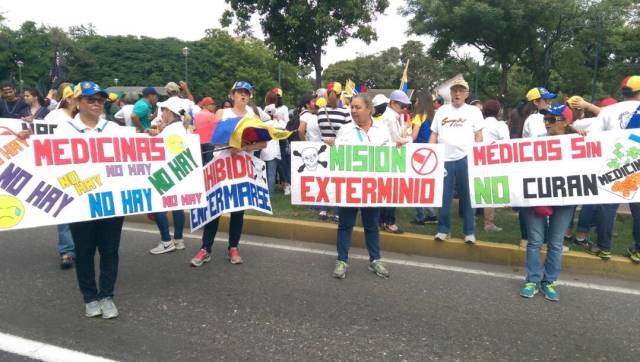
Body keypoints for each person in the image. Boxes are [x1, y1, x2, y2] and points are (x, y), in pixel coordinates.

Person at [55, 81, 126, 318]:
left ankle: (107, 295)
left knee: (110, 250)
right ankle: (90, 297)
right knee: (84, 252)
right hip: (80, 203)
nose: (97, 104)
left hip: (111, 201)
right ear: (77, 102)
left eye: (100, 100)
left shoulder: (114, 129)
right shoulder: (64, 130)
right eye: (90, 99)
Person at [190, 81, 267, 267]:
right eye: (239, 92)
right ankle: (205, 248)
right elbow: (213, 140)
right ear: (232, 95)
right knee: (214, 207)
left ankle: (233, 247)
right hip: (221, 165)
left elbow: (263, 144)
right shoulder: (221, 113)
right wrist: (229, 145)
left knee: (237, 210)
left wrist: (243, 146)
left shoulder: (253, 116)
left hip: (241, 167)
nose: (243, 96)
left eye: (246, 93)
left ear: (250, 96)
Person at [578, 75, 640, 263]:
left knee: (607, 207)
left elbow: (593, 137)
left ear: (623, 92)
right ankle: (638, 250)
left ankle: (604, 248)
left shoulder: (609, 111)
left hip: (617, 162)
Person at [520, 104, 577, 301]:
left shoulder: (580, 143)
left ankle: (549, 281)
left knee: (555, 243)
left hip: (566, 198)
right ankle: (532, 280)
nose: (547, 124)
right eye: (545, 119)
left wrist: (583, 135)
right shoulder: (536, 142)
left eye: (552, 120)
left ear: (566, 122)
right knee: (535, 241)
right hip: (538, 197)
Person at [332, 94, 391, 279]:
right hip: (350, 186)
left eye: (357, 107)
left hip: (373, 187)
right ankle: (342, 261)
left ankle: (375, 260)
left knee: (372, 224)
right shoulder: (345, 130)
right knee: (345, 224)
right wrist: (331, 147)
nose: (353, 111)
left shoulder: (382, 130)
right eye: (352, 107)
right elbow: (337, 157)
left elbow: (389, 155)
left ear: (369, 109)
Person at [429, 79, 483, 244]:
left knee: (468, 197)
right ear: (451, 93)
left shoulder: (474, 112)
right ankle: (443, 230)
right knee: (443, 198)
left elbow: (479, 135)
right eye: (455, 90)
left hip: (466, 159)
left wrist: (478, 156)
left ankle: (469, 232)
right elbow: (434, 135)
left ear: (467, 93)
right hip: (444, 160)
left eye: (461, 90)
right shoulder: (442, 111)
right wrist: (430, 154)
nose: (458, 93)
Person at [147, 97, 188, 255]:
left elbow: (160, 149)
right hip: (177, 171)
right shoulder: (180, 127)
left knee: (156, 204)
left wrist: (156, 135)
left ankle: (166, 241)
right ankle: (178, 239)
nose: (162, 113)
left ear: (170, 112)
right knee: (177, 205)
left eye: (164, 110)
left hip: (165, 173)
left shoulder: (172, 129)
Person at [44, 83, 78, 269]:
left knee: (82, 211)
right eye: (75, 96)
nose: (78, 100)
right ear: (67, 98)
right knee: (64, 209)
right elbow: (39, 135)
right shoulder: (55, 116)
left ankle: (81, 246)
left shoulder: (84, 117)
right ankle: (67, 250)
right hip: (61, 169)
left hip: (84, 171)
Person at [379, 90, 413, 234]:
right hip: (391, 156)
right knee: (391, 192)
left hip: (389, 156)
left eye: (405, 105)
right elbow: (396, 139)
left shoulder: (392, 116)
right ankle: (389, 222)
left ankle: (382, 221)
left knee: (386, 191)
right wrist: (409, 139)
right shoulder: (390, 118)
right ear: (393, 103)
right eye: (402, 105)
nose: (404, 108)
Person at [480, 99, 510, 232]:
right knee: (490, 192)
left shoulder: (478, 124)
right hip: (492, 161)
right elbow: (506, 144)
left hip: (477, 159)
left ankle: (471, 218)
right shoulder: (500, 125)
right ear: (498, 112)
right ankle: (488, 223)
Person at [410, 92, 438, 225]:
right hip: (431, 154)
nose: (415, 103)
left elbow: (414, 136)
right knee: (426, 186)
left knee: (416, 187)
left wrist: (405, 135)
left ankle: (420, 217)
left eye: (416, 101)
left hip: (418, 154)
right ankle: (432, 214)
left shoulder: (419, 117)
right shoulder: (434, 116)